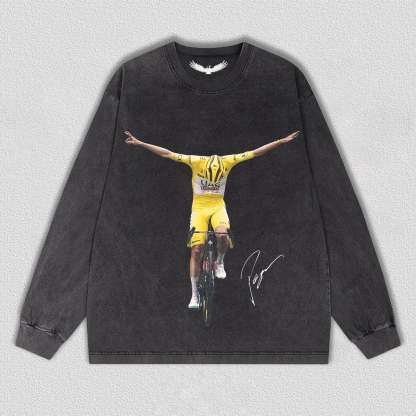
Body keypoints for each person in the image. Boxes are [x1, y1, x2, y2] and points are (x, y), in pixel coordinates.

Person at [124, 129, 300, 309]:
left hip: (217, 207)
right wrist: (140, 143)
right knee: (196, 250)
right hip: (199, 209)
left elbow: (255, 153)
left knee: (222, 235)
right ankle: (194, 294)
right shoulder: (196, 161)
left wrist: (280, 141)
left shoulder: (228, 161)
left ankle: (219, 261)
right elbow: (167, 154)